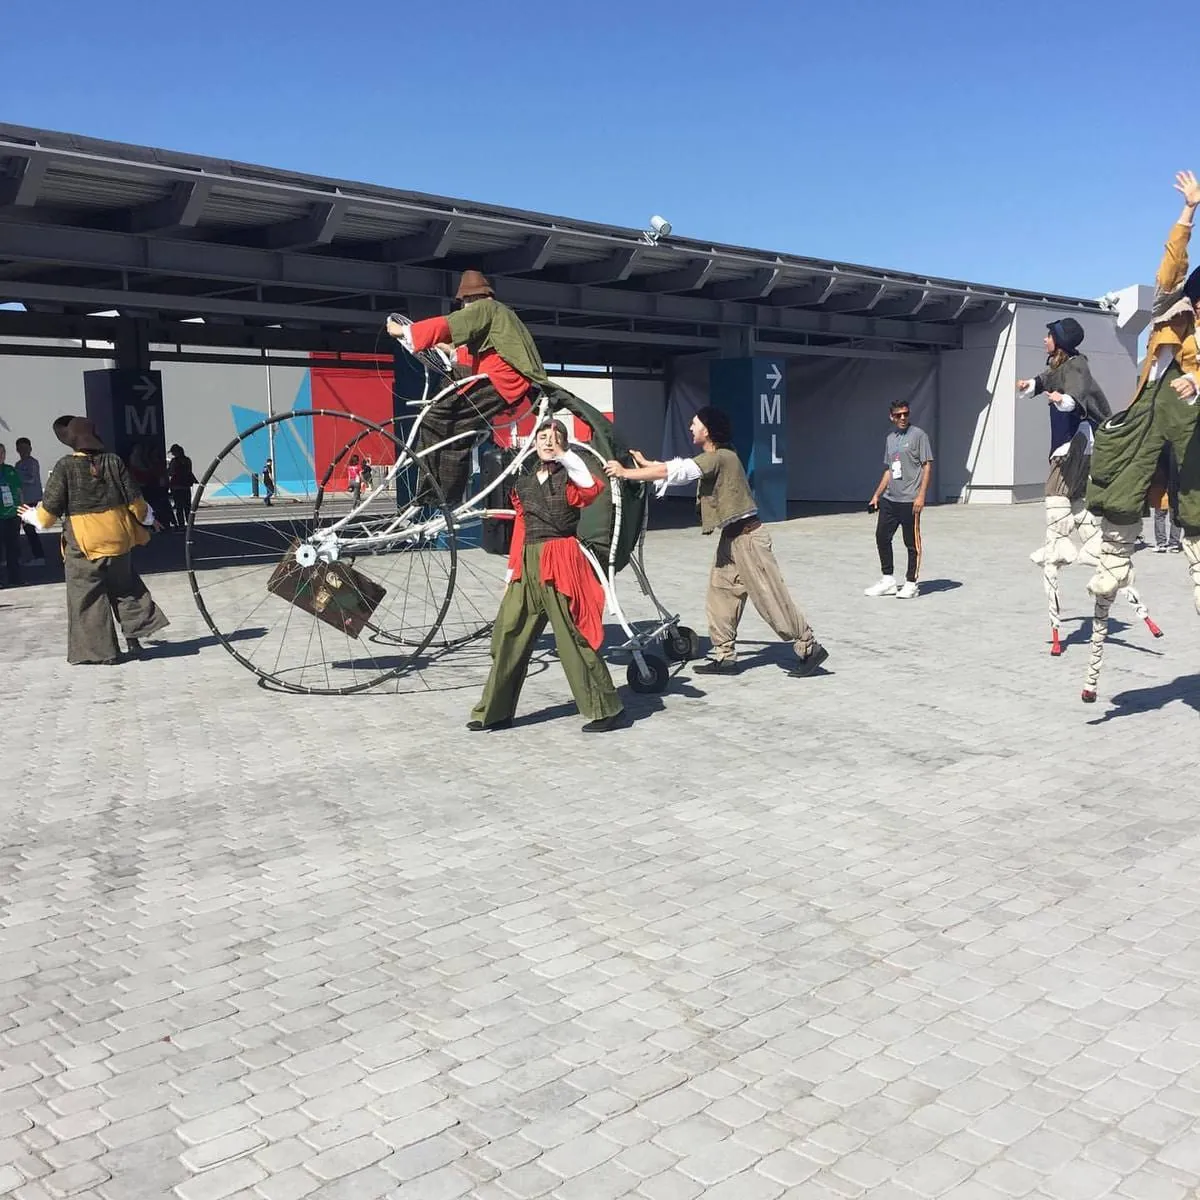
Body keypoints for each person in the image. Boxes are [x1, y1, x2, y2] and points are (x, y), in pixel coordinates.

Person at [1082, 170, 1200, 701]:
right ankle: (1112, 558)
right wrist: (1188, 212)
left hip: (1190, 435)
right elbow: (1170, 267)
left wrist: (1196, 378)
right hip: (1146, 426)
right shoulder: (1168, 312)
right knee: (1116, 467)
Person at [604, 406, 828, 677]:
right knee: (720, 594)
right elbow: (678, 468)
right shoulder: (715, 456)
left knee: (769, 597)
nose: (690, 428)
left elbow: (680, 472)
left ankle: (809, 647)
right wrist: (648, 464)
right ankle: (725, 656)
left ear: (707, 430)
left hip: (748, 539)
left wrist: (625, 473)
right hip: (732, 538)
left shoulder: (722, 457)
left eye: (694, 424)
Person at [468, 419, 626, 733]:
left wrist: (566, 454)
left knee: (572, 637)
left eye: (553, 437)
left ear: (564, 443)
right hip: (529, 561)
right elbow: (522, 529)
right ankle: (495, 711)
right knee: (508, 633)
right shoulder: (524, 483)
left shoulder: (571, 475)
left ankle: (605, 708)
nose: (546, 442)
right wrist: (511, 573)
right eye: (542, 437)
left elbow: (590, 487)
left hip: (561, 559)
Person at [386, 271, 554, 508]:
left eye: (464, 302)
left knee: (436, 417)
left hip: (500, 381)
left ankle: (436, 494)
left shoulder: (485, 308)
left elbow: (450, 324)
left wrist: (404, 331)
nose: (463, 307)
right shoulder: (502, 314)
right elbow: (480, 352)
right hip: (504, 379)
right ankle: (445, 492)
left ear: (471, 299)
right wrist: (448, 350)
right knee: (458, 424)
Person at [19, 417, 168, 664]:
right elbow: (136, 502)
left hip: (85, 542)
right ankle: (135, 637)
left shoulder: (65, 466)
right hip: (118, 538)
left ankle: (104, 653)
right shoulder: (114, 461)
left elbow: (48, 515)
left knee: (88, 596)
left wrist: (29, 515)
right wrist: (151, 519)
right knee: (126, 588)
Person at [1017, 318, 1122, 655]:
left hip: (1071, 449)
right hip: (1077, 448)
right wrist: (1029, 386)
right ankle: (1101, 552)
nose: (1044, 339)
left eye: (1048, 335)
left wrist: (1060, 398)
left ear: (1059, 341)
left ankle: (1061, 549)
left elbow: (1075, 400)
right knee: (1078, 509)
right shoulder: (1060, 364)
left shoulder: (1076, 366)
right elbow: (1045, 380)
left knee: (1055, 510)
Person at [864, 400, 933, 599]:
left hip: (910, 499)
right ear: (892, 417)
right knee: (882, 537)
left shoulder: (919, 435)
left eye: (906, 414)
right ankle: (888, 580)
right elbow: (889, 470)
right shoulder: (890, 439)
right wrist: (876, 495)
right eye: (899, 415)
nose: (903, 418)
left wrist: (921, 495)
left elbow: (927, 465)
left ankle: (911, 583)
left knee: (911, 542)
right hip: (890, 499)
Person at [13, 438, 45, 566]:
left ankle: (39, 556)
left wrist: (17, 475)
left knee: (29, 528)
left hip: (30, 500)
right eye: (21, 449)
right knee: (18, 529)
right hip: (21, 500)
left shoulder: (33, 463)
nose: (23, 451)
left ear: (30, 449)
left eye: (25, 448)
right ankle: (18, 557)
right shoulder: (18, 464)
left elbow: (31, 479)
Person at [1148, 444, 1183, 552]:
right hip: (1175, 484)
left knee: (1160, 515)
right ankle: (1174, 543)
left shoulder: (1160, 447)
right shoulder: (1178, 448)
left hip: (1161, 483)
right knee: (1175, 515)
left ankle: (1161, 543)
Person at [0, 444, 23, 588]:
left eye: (2, 452)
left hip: (12, 516)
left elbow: (19, 491)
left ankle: (16, 578)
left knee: (13, 550)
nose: (1, 455)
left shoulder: (10, 470)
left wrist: (21, 511)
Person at [167, 444, 197, 529]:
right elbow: (189, 471)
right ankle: (190, 523)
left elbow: (171, 472)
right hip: (186, 486)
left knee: (179, 507)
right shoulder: (188, 460)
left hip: (176, 486)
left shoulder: (174, 461)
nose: (172, 454)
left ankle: (181, 525)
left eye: (173, 452)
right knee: (187, 506)